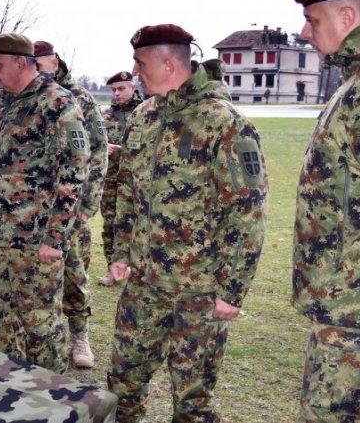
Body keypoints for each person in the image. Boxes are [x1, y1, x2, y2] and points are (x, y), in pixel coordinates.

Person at [107, 24, 268, 422]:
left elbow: (247, 211)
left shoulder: (224, 122)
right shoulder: (143, 117)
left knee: (192, 401)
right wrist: (120, 251)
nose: (135, 71)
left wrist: (232, 290)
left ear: (167, 63)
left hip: (199, 290)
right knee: (122, 385)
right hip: (144, 283)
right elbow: (126, 191)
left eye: (140, 63)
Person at [291, 0, 360, 423]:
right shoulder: (358, 81)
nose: (304, 33)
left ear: (347, 17)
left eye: (313, 20)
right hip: (352, 307)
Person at [0, 32, 89, 373]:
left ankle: (51, 393)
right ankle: (3, 386)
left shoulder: (57, 103)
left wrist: (55, 238)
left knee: (39, 324)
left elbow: (74, 173)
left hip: (35, 241)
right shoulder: (2, 109)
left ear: (20, 63)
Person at [34, 40, 107, 369]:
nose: (37, 69)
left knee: (74, 272)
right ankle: (44, 335)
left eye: (41, 62)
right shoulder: (26, 98)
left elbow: (99, 151)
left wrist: (87, 205)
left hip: (71, 205)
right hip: (32, 208)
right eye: (32, 63)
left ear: (55, 61)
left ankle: (79, 335)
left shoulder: (79, 97)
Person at [97, 71, 142, 287]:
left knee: (139, 226)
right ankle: (112, 269)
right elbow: (92, 142)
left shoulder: (146, 113)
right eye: (113, 90)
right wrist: (102, 147)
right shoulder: (104, 116)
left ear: (133, 88)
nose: (116, 93)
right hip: (111, 181)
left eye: (121, 88)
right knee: (110, 224)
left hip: (138, 181)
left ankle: (138, 270)